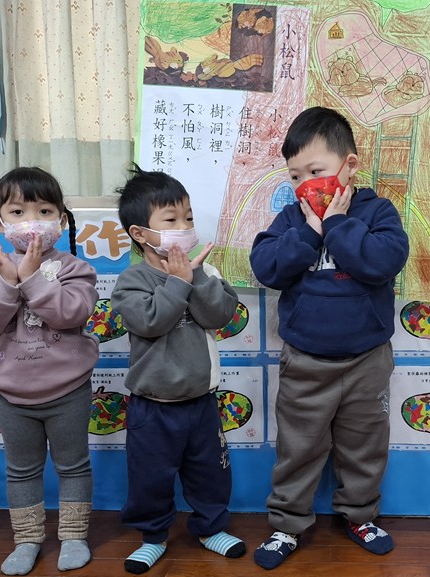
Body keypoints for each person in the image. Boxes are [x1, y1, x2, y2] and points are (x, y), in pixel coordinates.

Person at [248, 106, 410, 570]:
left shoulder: (377, 212)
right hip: (305, 360)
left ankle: (360, 516)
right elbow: (266, 267)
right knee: (298, 448)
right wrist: (308, 231)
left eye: (316, 171)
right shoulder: (291, 218)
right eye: (296, 176)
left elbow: (383, 261)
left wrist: (337, 225)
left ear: (349, 165)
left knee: (364, 445)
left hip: (367, 360)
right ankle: (287, 524)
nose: (306, 184)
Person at [0, 167, 98, 576]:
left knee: (73, 465)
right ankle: (27, 540)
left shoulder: (74, 268)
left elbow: (71, 314)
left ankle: (73, 536)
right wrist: (7, 281)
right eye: (18, 212)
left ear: (61, 219)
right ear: (0, 222)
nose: (32, 222)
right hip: (11, 394)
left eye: (44, 211)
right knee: (21, 470)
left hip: (68, 389)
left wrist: (33, 279)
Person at [111, 166, 245, 574]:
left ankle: (210, 528)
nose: (184, 227)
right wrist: (178, 283)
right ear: (140, 233)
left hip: (201, 403)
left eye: (187, 217)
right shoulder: (131, 281)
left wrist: (196, 276)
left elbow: (218, 315)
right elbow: (150, 321)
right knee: (149, 478)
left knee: (210, 474)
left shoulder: (206, 271)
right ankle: (153, 536)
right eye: (170, 220)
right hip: (152, 407)